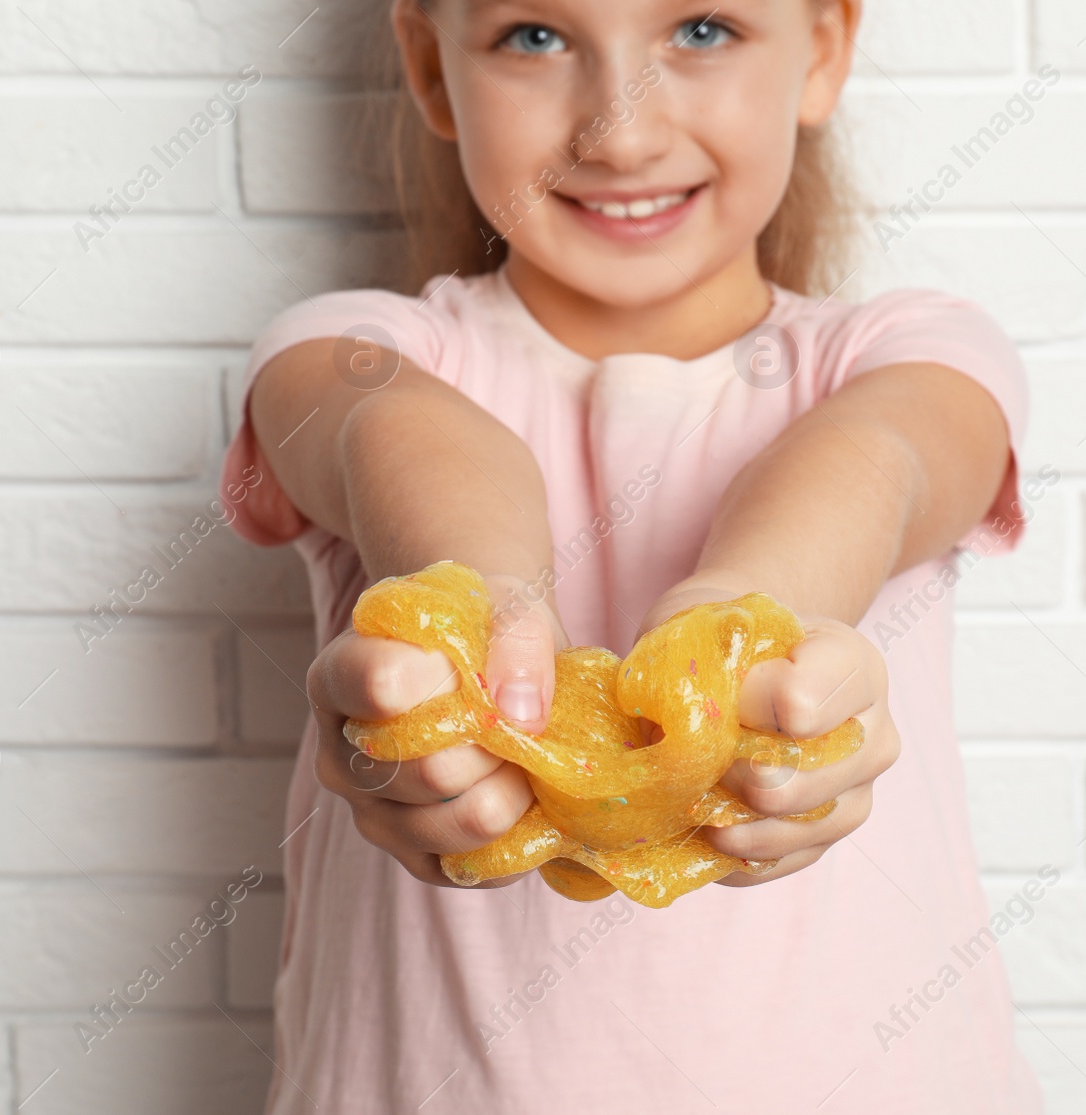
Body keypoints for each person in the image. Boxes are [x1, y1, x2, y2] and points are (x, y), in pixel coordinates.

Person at [221, 1, 1042, 1110]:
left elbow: (876, 458)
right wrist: (487, 604)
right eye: (535, 36)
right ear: (425, 62)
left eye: (701, 29)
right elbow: (396, 437)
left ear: (826, 48)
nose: (619, 132)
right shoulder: (348, 353)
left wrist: (736, 623)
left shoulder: (911, 357)